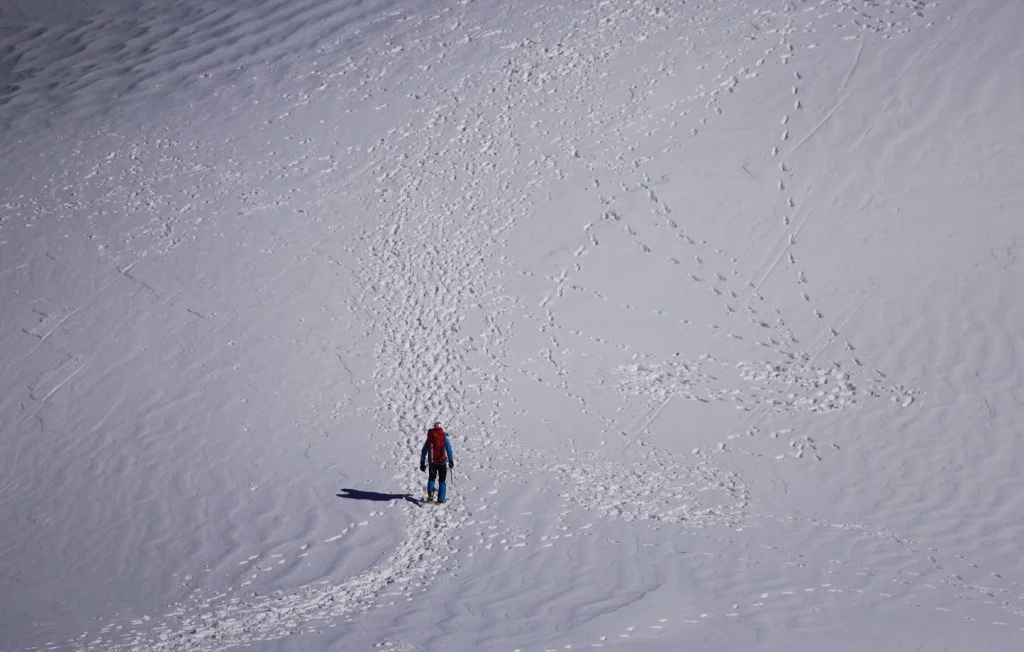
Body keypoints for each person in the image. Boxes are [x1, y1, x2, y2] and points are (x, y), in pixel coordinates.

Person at [420, 421, 454, 503]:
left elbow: (424, 451)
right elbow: (449, 450)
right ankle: (441, 500)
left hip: (432, 463)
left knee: (431, 478)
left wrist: (422, 462)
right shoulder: (443, 438)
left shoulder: (430, 438)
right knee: (442, 480)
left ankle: (430, 495)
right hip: (442, 463)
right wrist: (451, 461)